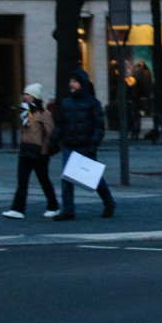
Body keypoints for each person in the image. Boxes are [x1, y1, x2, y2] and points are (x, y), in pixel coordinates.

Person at [50, 69, 116, 220]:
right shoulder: (66, 103)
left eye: (74, 81)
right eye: (70, 81)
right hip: (70, 145)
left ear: (82, 84)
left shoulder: (92, 103)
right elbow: (61, 125)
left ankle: (108, 202)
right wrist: (53, 139)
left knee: (94, 178)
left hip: (85, 145)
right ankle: (68, 210)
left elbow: (99, 125)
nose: (71, 84)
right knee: (67, 179)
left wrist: (94, 143)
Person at [3, 84, 60, 219]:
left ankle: (54, 206)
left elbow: (51, 133)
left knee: (44, 180)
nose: (25, 96)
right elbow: (24, 131)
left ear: (34, 97)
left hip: (40, 153)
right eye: (25, 94)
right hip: (25, 150)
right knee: (22, 181)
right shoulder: (24, 111)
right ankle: (17, 209)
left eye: (28, 94)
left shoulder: (44, 114)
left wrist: (46, 150)